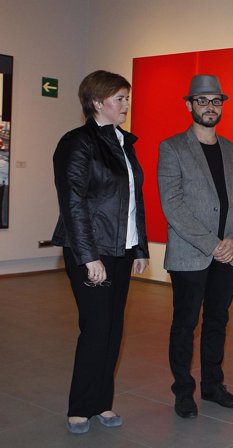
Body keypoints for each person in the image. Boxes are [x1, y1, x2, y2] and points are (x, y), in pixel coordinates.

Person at [52, 70, 149, 434]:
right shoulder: (77, 142)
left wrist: (139, 247)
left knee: (113, 328)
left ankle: (102, 404)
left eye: (127, 97)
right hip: (90, 250)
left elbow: (133, 201)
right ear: (97, 102)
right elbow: (73, 201)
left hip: (121, 251)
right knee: (94, 328)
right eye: (120, 98)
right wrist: (88, 255)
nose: (126, 104)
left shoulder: (124, 142)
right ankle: (80, 407)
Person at [157, 74, 233, 418]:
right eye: (202, 101)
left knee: (217, 322)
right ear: (189, 105)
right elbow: (173, 205)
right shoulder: (172, 148)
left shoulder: (232, 150)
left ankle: (213, 386)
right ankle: (184, 390)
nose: (210, 107)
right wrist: (213, 244)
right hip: (190, 255)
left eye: (216, 101)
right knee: (185, 324)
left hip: (228, 255)